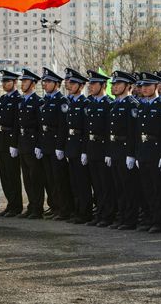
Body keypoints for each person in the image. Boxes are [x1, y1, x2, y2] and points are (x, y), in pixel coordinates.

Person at [135, 72, 161, 233]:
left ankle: (159, 220)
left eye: (148, 86)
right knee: (146, 188)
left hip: (156, 152)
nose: (144, 89)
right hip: (143, 151)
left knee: (158, 189)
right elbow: (136, 133)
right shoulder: (141, 106)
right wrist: (136, 153)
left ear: (156, 87)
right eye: (143, 86)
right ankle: (149, 218)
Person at [107, 71, 140, 230]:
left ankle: (130, 219)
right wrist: (109, 151)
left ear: (128, 86)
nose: (114, 87)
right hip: (115, 150)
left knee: (128, 187)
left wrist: (131, 154)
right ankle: (122, 216)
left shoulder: (132, 104)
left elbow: (133, 133)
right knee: (118, 187)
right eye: (113, 84)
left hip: (125, 150)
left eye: (118, 84)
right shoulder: (114, 104)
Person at [84, 70, 116, 227]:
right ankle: (100, 213)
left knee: (106, 185)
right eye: (90, 83)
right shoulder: (90, 103)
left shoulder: (109, 104)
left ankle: (108, 215)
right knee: (96, 184)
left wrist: (109, 152)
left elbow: (110, 132)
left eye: (94, 83)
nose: (91, 86)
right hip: (92, 148)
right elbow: (86, 129)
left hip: (103, 148)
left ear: (103, 85)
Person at [62, 68, 92, 224]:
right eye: (69, 82)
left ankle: (85, 212)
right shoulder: (70, 102)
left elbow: (87, 129)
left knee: (82, 182)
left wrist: (84, 151)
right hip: (71, 146)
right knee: (73, 182)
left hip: (80, 146)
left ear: (81, 86)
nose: (70, 84)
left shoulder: (85, 103)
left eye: (73, 82)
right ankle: (77, 210)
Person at [38, 67, 68, 220]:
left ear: (57, 84)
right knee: (49, 179)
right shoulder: (46, 100)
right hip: (46, 144)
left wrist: (60, 146)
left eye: (48, 82)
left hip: (56, 144)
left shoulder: (61, 101)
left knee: (59, 179)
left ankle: (63, 209)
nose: (45, 84)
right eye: (44, 81)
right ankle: (54, 206)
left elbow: (63, 126)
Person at [15, 69, 44, 219]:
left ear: (33, 84)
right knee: (26, 177)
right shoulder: (21, 101)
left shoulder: (38, 102)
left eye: (25, 82)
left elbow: (40, 126)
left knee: (36, 178)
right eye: (22, 81)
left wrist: (39, 145)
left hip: (33, 144)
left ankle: (38, 208)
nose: (22, 84)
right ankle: (31, 205)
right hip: (23, 143)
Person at [0, 70, 22, 218]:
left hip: (11, 139)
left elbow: (17, 123)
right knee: (4, 174)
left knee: (13, 175)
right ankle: (10, 204)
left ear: (14, 83)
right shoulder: (3, 98)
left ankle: (16, 206)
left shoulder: (18, 99)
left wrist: (14, 143)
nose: (5, 84)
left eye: (8, 81)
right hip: (2, 139)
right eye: (3, 81)